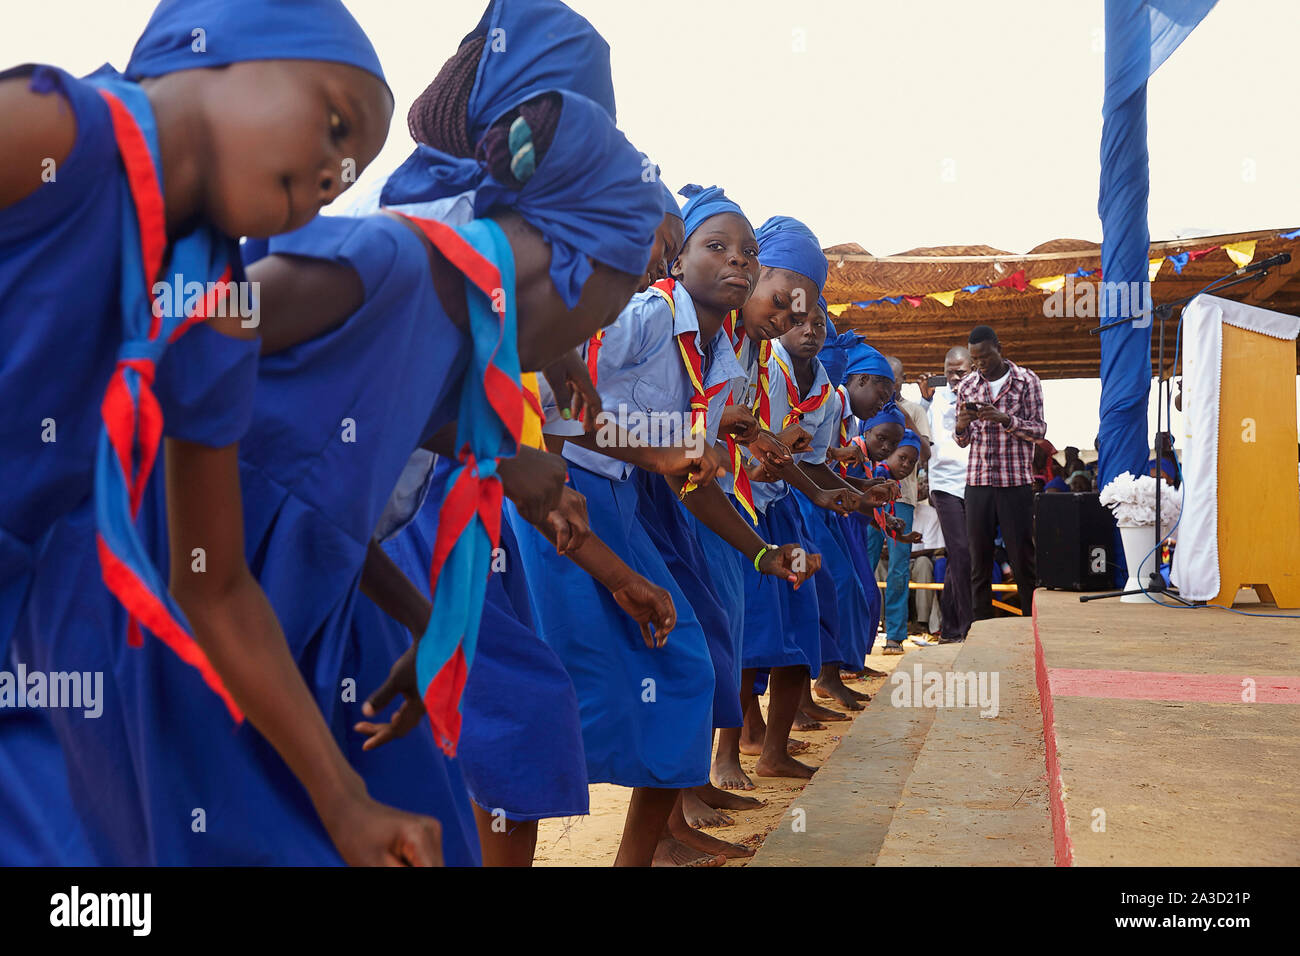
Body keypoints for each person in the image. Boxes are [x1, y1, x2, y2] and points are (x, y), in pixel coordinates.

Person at [0, 0, 437, 866]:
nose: (334, 175)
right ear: (215, 52)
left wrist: (346, 804)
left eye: (350, 176)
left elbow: (216, 584)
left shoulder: (218, 304)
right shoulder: (50, 130)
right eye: (337, 126)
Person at [954, 325, 1046, 618]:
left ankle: (1032, 625)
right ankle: (980, 627)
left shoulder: (1026, 381)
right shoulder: (967, 386)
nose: (979, 364)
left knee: (1023, 559)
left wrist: (1006, 419)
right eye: (975, 359)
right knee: (978, 561)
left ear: (999, 348)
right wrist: (960, 425)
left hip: (1015, 483)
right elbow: (962, 440)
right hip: (978, 483)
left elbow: (1039, 430)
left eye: (984, 357)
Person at [917, 346, 972, 645]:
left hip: (975, 483)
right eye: (949, 372)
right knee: (961, 552)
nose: (953, 378)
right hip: (944, 486)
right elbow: (915, 425)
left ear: (973, 369)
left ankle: (950, 629)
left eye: (960, 372)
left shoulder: (981, 393)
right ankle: (967, 627)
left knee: (962, 556)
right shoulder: (933, 398)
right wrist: (924, 399)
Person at [882, 356, 933, 651]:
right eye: (884, 378)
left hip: (902, 497)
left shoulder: (914, 410)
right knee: (866, 559)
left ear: (903, 380)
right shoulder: (869, 407)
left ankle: (895, 635)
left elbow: (926, 453)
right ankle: (863, 635)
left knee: (899, 566)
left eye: (895, 378)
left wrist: (907, 418)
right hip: (869, 495)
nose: (890, 384)